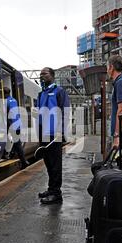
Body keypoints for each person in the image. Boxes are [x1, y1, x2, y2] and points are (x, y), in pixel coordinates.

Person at [37, 67, 70, 205]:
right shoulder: (41, 94)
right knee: (48, 163)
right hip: (43, 134)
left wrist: (61, 132)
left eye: (44, 74)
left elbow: (65, 113)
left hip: (54, 134)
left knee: (56, 164)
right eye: (40, 74)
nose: (41, 76)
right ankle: (51, 189)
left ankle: (57, 194)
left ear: (52, 76)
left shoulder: (59, 91)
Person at [4, 87, 29, 169]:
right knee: (16, 143)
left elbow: (12, 113)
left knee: (17, 144)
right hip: (17, 124)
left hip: (13, 125)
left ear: (4, 93)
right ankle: (11, 155)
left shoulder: (7, 101)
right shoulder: (14, 100)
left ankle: (24, 161)